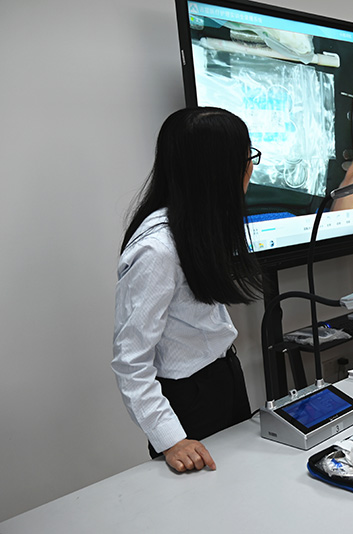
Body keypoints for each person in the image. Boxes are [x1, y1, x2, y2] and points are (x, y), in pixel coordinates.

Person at [112, 107, 264, 472]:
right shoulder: (157, 250)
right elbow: (131, 359)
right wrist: (171, 439)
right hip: (188, 400)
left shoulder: (197, 224)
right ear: (217, 171)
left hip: (223, 375)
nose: (250, 169)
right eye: (247, 159)